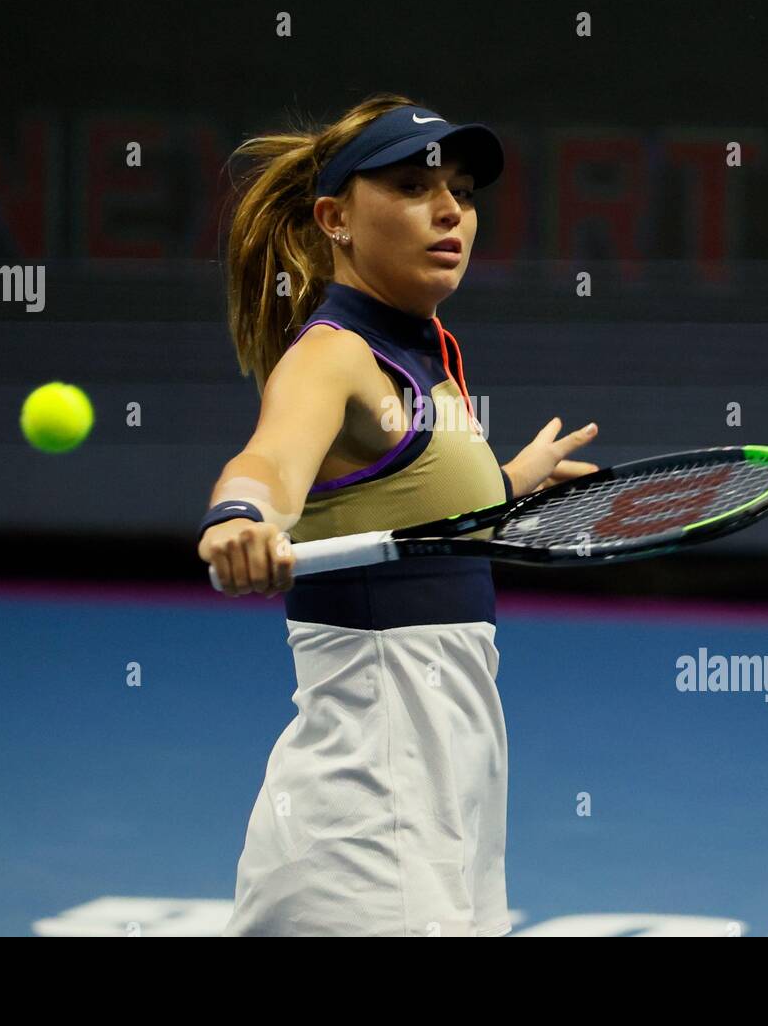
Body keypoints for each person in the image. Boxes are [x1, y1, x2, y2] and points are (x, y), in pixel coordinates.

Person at [197, 93, 599, 936]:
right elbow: (271, 456)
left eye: (462, 189)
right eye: (416, 188)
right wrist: (242, 515)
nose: (451, 209)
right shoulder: (333, 355)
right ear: (335, 218)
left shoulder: (423, 352)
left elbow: (410, 494)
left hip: (451, 779)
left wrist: (506, 484)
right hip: (369, 801)